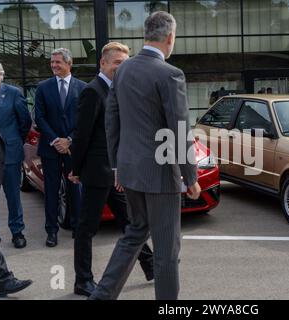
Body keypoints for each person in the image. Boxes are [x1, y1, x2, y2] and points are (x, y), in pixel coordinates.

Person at [89, 11, 201, 300]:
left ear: (146, 35)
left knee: (134, 233)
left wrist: (117, 168)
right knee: (166, 251)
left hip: (129, 170)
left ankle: (101, 296)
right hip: (160, 174)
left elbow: (111, 120)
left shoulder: (123, 70)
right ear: (170, 38)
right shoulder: (170, 73)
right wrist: (190, 176)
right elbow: (179, 129)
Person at [68, 42, 154, 297]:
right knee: (86, 228)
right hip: (96, 172)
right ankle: (82, 280)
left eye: (125, 63)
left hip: (114, 171)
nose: (121, 67)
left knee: (131, 222)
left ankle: (151, 265)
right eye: (116, 62)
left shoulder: (119, 90)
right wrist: (76, 168)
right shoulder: (93, 92)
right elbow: (82, 134)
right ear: (103, 63)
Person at [0, 61, 33, 297]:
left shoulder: (10, 95)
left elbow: (24, 122)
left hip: (7, 159)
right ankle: (1, 278)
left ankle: (1, 276)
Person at [34, 48, 86, 247]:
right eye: (52, 62)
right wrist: (56, 140)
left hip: (73, 149)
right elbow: (39, 117)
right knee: (52, 190)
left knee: (75, 189)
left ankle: (77, 228)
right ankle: (51, 231)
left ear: (69, 63)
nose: (54, 65)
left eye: (58, 62)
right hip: (50, 149)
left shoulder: (82, 88)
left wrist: (70, 140)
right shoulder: (43, 87)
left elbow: (85, 119)